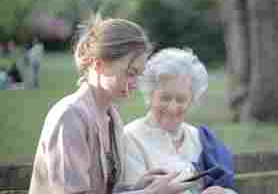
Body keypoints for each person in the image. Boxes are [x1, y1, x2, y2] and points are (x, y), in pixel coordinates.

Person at [29, 17, 195, 194]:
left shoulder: (111, 117)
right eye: (130, 73)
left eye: (139, 74)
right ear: (99, 65)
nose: (135, 83)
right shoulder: (69, 117)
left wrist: (139, 187)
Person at [123, 48, 237, 194]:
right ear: (150, 95)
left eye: (181, 99)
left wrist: (221, 192)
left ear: (191, 101)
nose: (172, 107)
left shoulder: (200, 138)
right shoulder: (131, 137)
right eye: (165, 98)